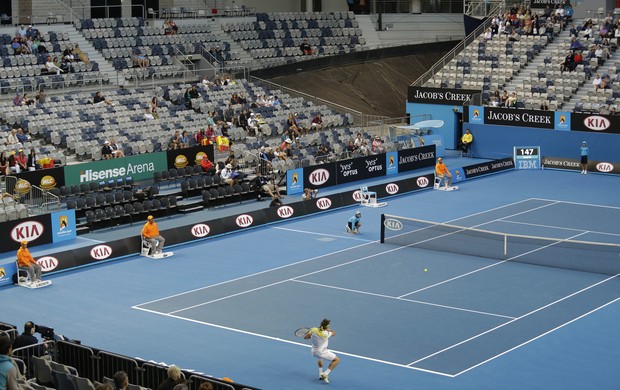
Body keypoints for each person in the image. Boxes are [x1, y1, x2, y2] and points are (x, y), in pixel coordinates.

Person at [303, 319, 340, 384]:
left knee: (320, 359)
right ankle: (325, 374)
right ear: (327, 326)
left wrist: (309, 333)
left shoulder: (313, 329)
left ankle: (320, 373)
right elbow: (334, 333)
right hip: (321, 352)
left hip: (314, 351)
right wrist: (330, 330)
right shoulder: (326, 334)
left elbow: (306, 338)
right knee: (337, 360)